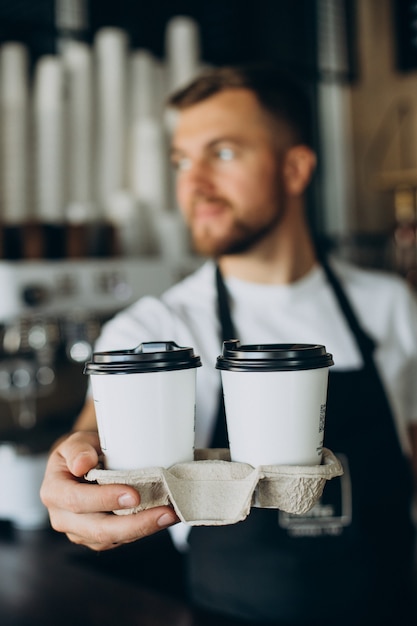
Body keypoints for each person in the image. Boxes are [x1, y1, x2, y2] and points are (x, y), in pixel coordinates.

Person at [41, 65, 417, 626]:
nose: (192, 183)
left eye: (222, 153)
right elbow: (97, 431)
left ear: (294, 168)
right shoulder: (155, 327)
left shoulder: (390, 304)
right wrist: (75, 473)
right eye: (181, 161)